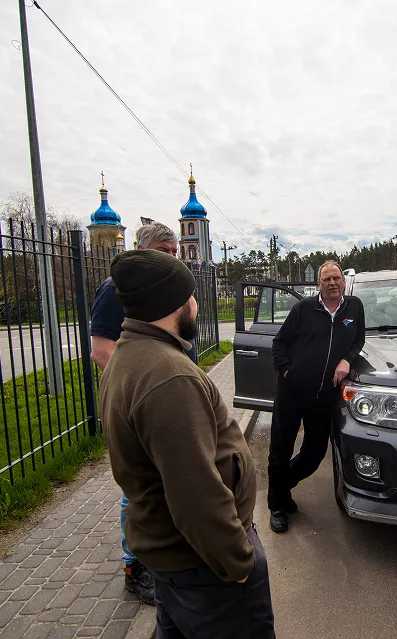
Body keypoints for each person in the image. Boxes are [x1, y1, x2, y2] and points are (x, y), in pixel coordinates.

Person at [100, 249, 275, 638]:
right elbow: (194, 492)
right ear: (175, 303)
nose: (195, 303)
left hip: (178, 562)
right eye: (191, 295)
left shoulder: (130, 357)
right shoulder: (168, 377)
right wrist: (238, 561)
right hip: (206, 568)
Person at [90, 222, 196, 605]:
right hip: (145, 405)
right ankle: (135, 567)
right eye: (165, 251)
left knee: (169, 481)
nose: (172, 257)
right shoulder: (114, 289)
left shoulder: (165, 290)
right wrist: (145, 394)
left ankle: (166, 550)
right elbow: (102, 350)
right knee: (138, 489)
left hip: (172, 398)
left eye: (174, 251)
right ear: (142, 249)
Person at [268, 260, 365, 533]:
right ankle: (277, 504)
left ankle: (281, 485)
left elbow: (359, 339)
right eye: (327, 280)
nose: (332, 283)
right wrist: (288, 373)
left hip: (324, 396)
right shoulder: (302, 309)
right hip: (292, 392)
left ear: (343, 282)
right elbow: (279, 344)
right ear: (318, 285)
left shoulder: (354, 307)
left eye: (336, 278)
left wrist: (347, 359)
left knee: (314, 453)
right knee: (281, 448)